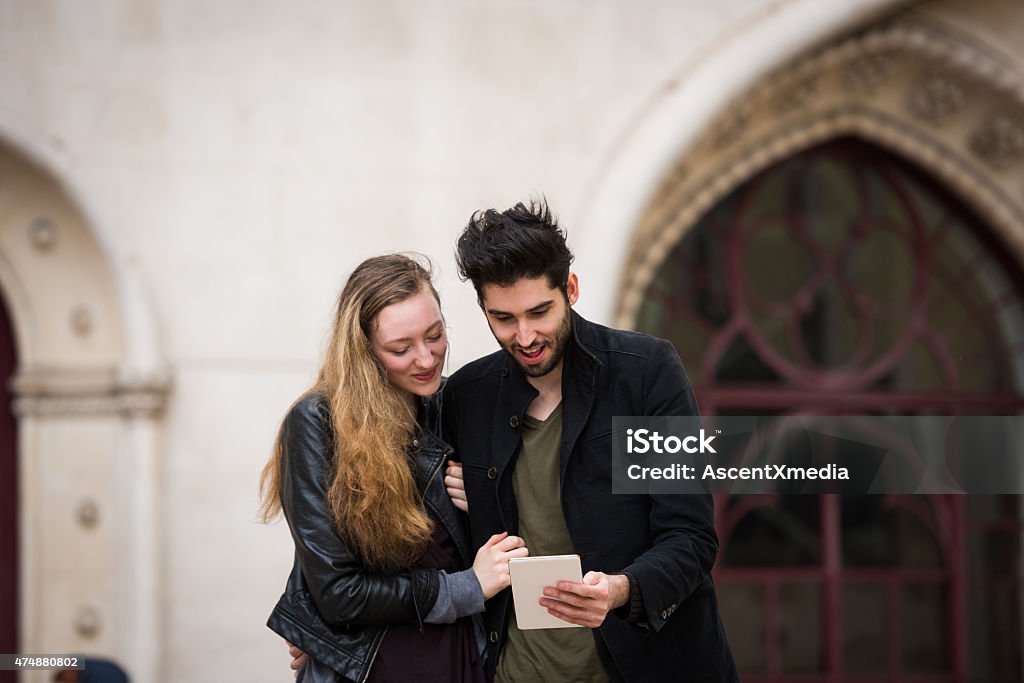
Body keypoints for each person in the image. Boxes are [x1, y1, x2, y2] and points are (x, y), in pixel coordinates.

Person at [442, 199, 739, 682]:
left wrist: (621, 589)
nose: (525, 335)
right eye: (504, 319)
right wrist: (324, 629)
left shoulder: (646, 373)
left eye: (540, 311)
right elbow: (406, 531)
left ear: (571, 289)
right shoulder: (465, 397)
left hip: (646, 665)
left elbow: (691, 536)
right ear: (483, 310)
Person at [260, 254, 527, 683]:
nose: (426, 359)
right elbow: (337, 589)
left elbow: (502, 545)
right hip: (374, 666)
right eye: (401, 349)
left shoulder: (454, 405)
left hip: (460, 657)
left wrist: (484, 503)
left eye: (435, 336)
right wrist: (465, 588)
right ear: (363, 351)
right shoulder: (317, 422)